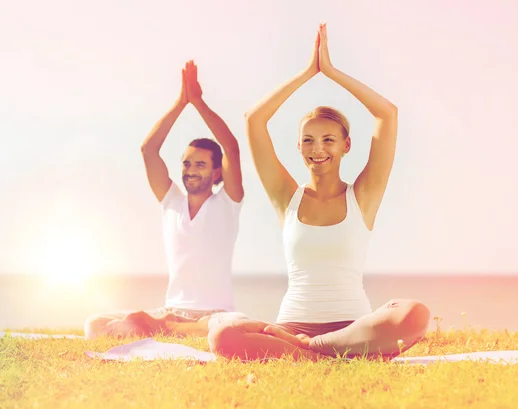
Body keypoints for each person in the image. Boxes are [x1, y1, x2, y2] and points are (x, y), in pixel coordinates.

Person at [208, 24, 430, 360]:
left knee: (415, 313)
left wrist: (331, 71)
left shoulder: (363, 197)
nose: (318, 149)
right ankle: (318, 352)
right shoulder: (287, 197)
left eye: (328, 140)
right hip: (291, 327)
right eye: (309, 140)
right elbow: (254, 120)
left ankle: (315, 351)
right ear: (298, 146)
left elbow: (387, 114)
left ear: (346, 145)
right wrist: (307, 73)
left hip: (353, 329)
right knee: (223, 332)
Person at [84, 60, 247, 340]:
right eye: (186, 164)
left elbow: (231, 147)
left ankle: (163, 328)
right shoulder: (171, 201)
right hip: (172, 310)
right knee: (95, 323)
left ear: (217, 172)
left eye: (199, 164)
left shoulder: (228, 203)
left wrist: (198, 102)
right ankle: (167, 326)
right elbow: (148, 150)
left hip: (214, 316)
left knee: (231, 327)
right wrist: (180, 103)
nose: (190, 170)